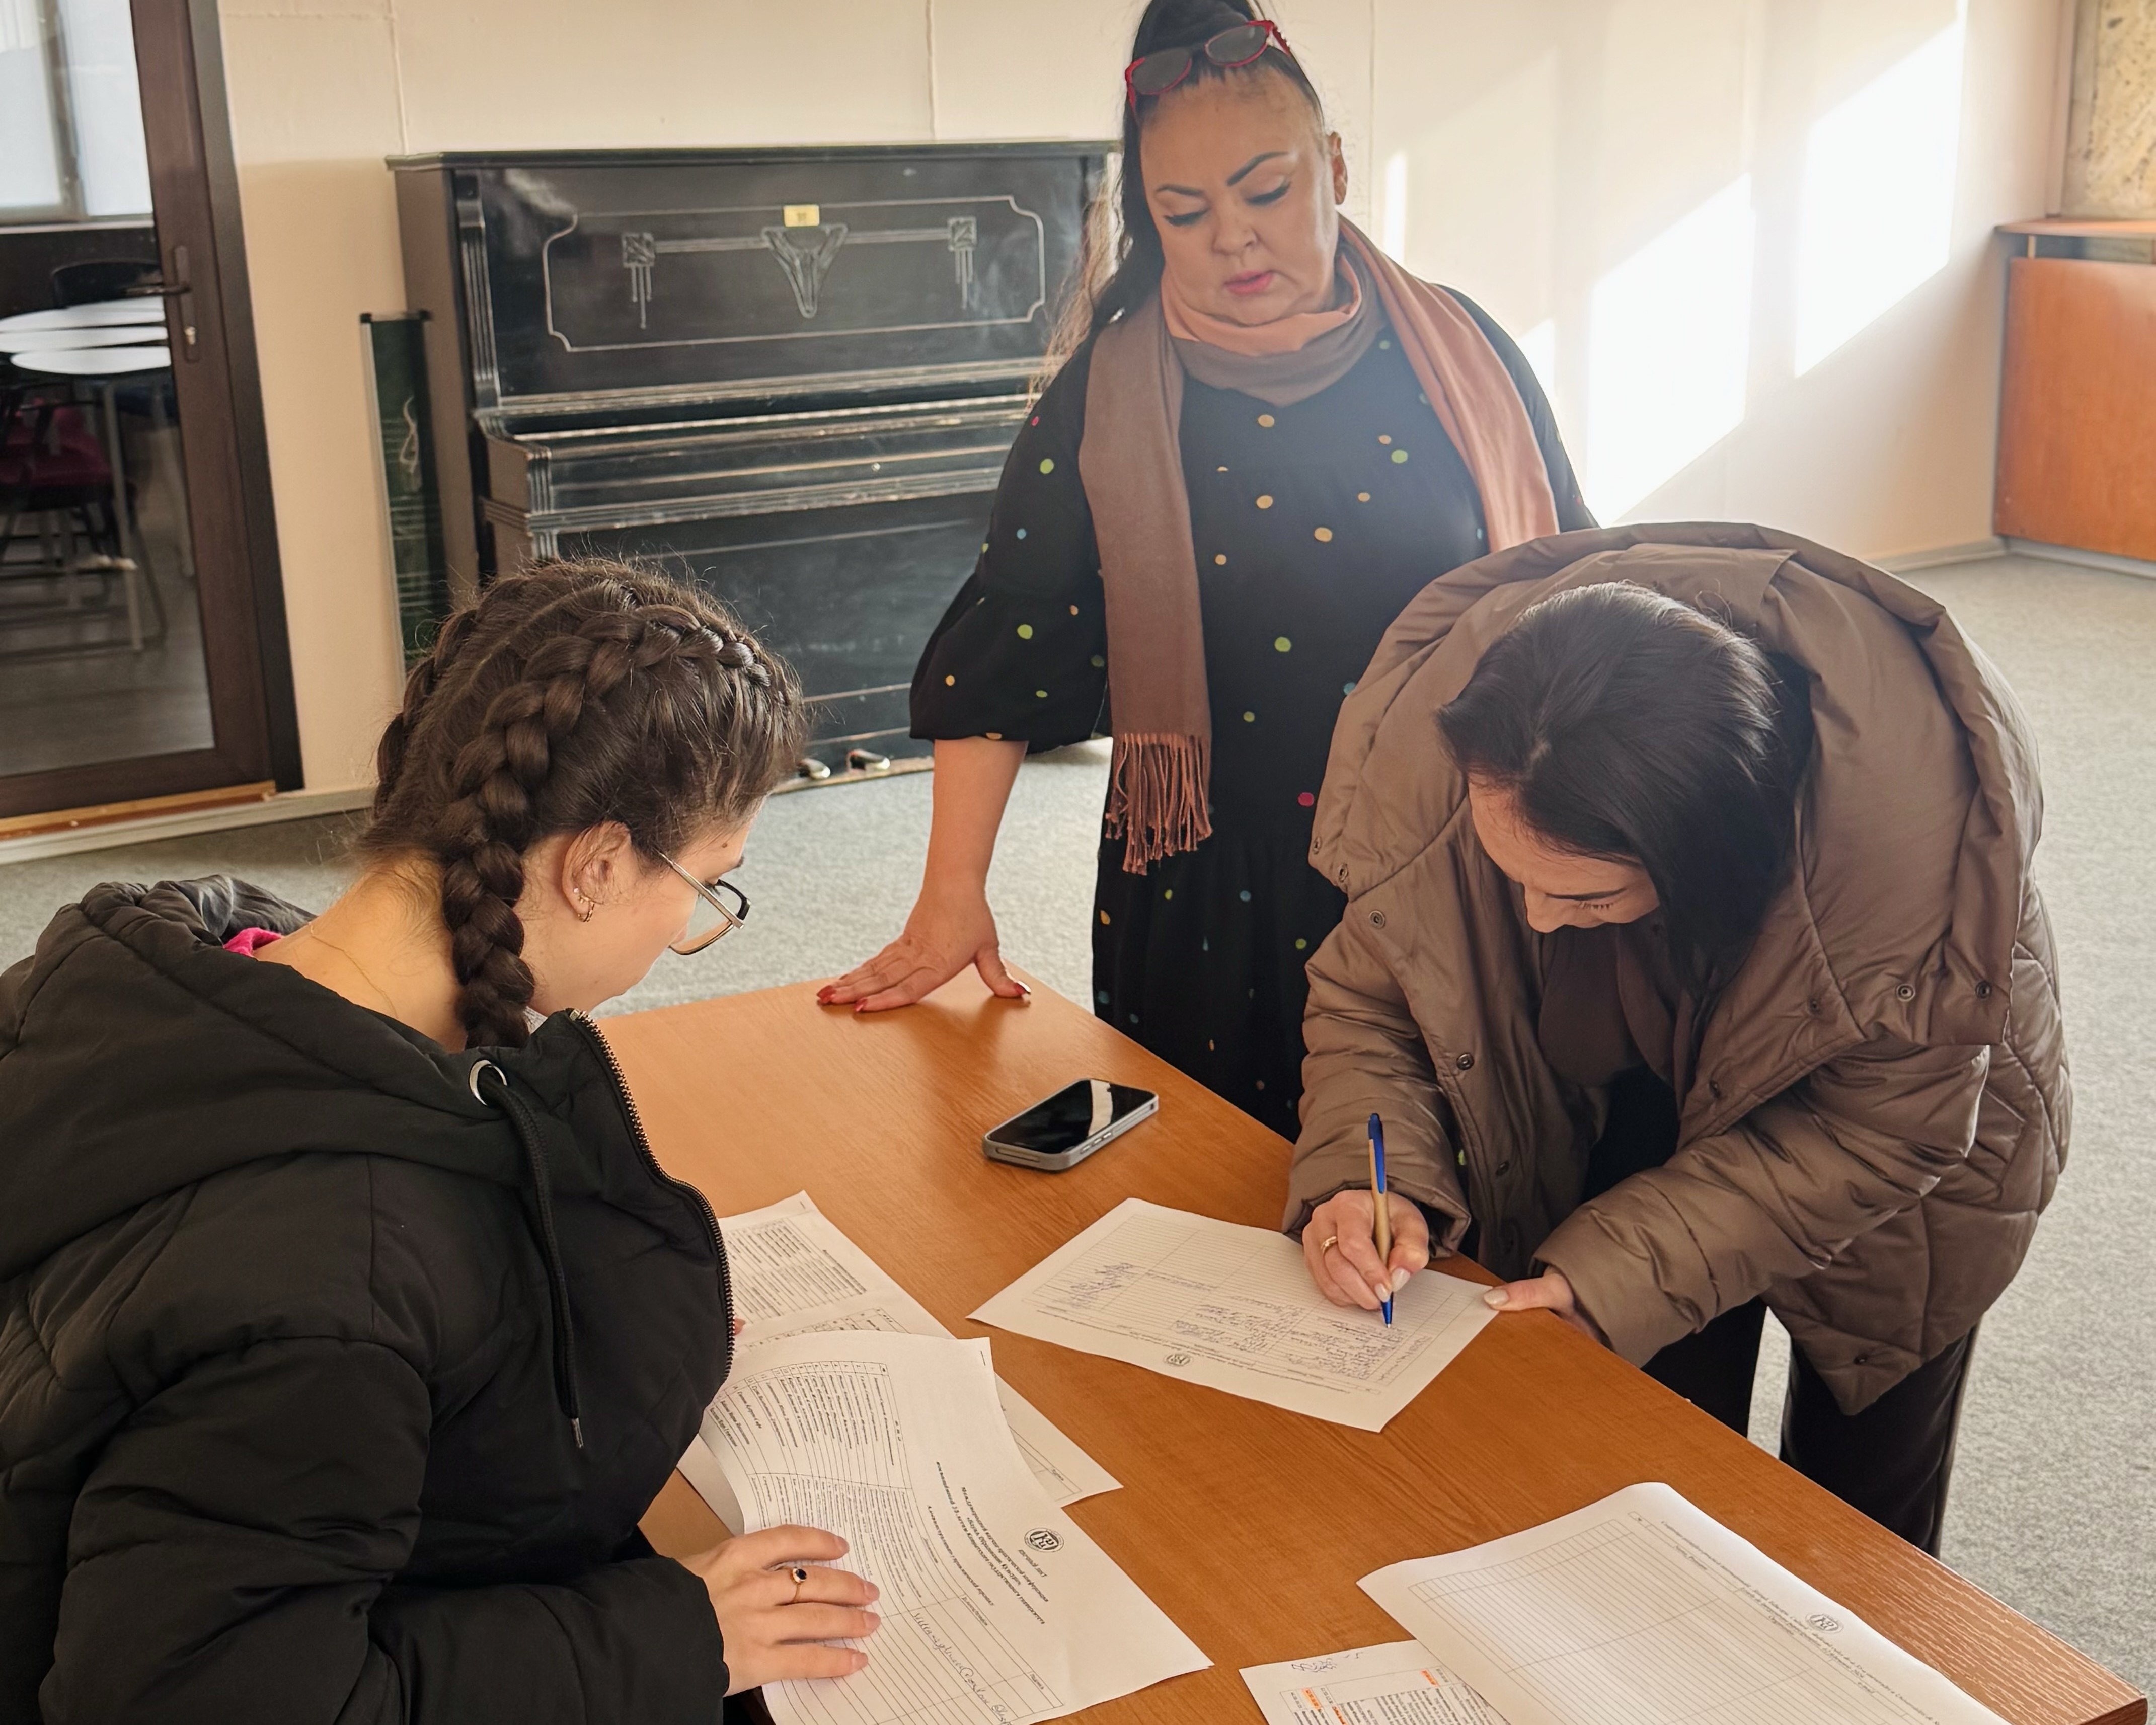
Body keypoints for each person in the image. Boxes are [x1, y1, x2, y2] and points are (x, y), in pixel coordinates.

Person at [0, 561, 884, 1721]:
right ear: (596, 865)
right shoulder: (328, 1289)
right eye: (709, 887)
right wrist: (674, 1639)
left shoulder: (198, 967)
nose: (693, 924)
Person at [821, 0, 1592, 1138]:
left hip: (1458, 855)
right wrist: (950, 898)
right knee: (1218, 1189)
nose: (1233, 237)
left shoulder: (1464, 351)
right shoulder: (1107, 396)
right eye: (1184, 212)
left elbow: (1578, 589)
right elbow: (1007, 651)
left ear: (1335, 167)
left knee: (1459, 1183)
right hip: (1217, 884)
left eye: (1267, 191)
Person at [1288, 523, 2068, 1554]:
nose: (1536, 918)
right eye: (1513, 874)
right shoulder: (1491, 757)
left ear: (1706, 858)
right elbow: (1379, 999)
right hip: (1627, 1073)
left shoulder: (1914, 886)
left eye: (1583, 895)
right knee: (1648, 1439)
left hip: (1896, 1152)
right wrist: (1367, 1176)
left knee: (1862, 1511)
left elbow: (1881, 1135)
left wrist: (1617, 1275)